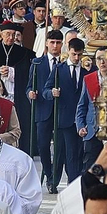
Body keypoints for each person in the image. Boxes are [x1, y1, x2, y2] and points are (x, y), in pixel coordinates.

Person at [28, 30, 80, 193]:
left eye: (58, 42)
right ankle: (49, 174)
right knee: (43, 146)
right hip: (43, 110)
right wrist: (30, 94)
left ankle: (55, 179)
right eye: (52, 42)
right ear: (47, 43)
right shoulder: (37, 63)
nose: (55, 46)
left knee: (60, 149)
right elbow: (30, 86)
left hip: (62, 113)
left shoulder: (68, 63)